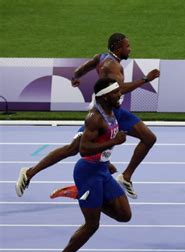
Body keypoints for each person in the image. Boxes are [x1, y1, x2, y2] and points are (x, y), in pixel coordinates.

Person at [15, 32, 160, 199]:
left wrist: (76, 77)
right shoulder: (112, 66)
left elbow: (82, 68)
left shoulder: (101, 57)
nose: (130, 49)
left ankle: (126, 177)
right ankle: (29, 172)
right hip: (102, 112)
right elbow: (119, 89)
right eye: (127, 46)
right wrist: (145, 79)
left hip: (116, 110)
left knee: (149, 138)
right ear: (118, 47)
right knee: (73, 149)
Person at [48, 78, 131, 252]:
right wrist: (114, 142)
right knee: (92, 224)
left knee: (124, 215)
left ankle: (81, 194)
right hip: (88, 173)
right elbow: (83, 150)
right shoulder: (94, 118)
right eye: (115, 92)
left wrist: (106, 159)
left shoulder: (112, 113)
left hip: (101, 169)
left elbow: (100, 144)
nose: (120, 95)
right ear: (104, 96)